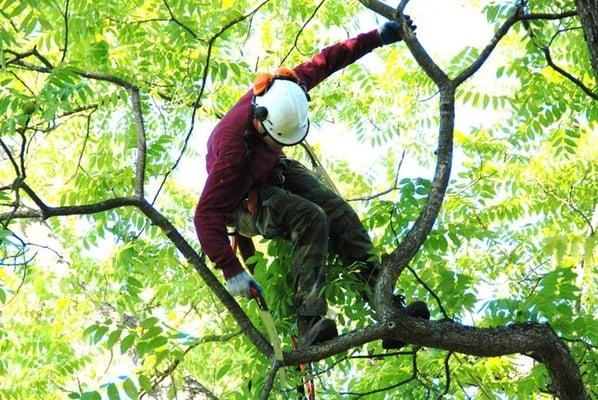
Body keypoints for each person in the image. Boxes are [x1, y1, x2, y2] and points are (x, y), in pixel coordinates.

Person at [194, 18, 429, 347]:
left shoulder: (286, 90)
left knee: (337, 211)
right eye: (277, 139)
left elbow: (331, 58)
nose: (281, 144)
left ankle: (386, 307)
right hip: (242, 201)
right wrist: (232, 269)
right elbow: (205, 216)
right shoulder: (232, 151)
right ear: (260, 121)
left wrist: (379, 36)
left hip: (271, 170)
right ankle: (310, 322)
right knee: (310, 216)